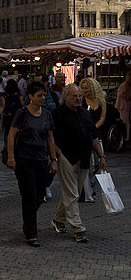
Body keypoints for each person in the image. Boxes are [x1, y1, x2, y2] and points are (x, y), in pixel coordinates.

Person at [51, 84, 107, 243]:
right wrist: (58, 154)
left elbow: (93, 137)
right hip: (66, 157)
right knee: (72, 194)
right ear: (66, 97)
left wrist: (101, 156)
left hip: (83, 158)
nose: (78, 99)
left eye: (80, 96)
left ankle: (58, 219)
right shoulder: (57, 114)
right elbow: (50, 137)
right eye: (74, 96)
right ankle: (78, 228)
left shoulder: (85, 114)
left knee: (73, 191)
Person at [6, 80, 58, 246]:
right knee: (29, 195)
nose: (43, 98)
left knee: (39, 194)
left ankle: (27, 221)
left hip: (42, 159)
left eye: (44, 95)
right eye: (39, 95)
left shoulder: (47, 114)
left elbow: (50, 139)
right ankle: (31, 233)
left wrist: (53, 159)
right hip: (25, 159)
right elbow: (11, 135)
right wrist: (11, 157)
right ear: (30, 96)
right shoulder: (22, 113)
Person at [79, 76, 106, 201]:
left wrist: (94, 128)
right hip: (84, 136)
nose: (85, 90)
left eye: (87, 88)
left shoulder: (101, 101)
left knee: (98, 163)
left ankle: (92, 186)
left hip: (96, 134)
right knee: (86, 164)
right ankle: (87, 191)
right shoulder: (81, 101)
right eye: (83, 88)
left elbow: (102, 118)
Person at [0, 77, 22, 143]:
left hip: (8, 115)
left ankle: (8, 143)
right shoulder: (19, 94)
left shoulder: (4, 95)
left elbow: (3, 105)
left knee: (8, 130)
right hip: (18, 114)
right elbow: (22, 103)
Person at [114, 68, 131, 143]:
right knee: (125, 121)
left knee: (125, 121)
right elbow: (121, 95)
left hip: (124, 105)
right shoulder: (125, 85)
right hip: (123, 105)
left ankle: (126, 136)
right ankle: (126, 136)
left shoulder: (126, 85)